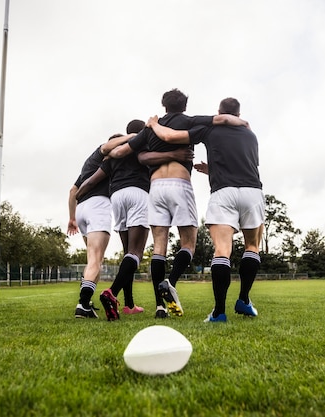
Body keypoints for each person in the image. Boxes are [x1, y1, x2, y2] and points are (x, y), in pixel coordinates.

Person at [108, 89, 247, 319]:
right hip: (179, 184)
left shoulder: (150, 128)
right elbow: (222, 119)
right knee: (189, 244)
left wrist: (110, 150)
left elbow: (122, 151)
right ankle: (170, 283)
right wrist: (243, 122)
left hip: (155, 188)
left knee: (159, 246)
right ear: (184, 105)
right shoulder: (188, 120)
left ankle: (160, 307)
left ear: (164, 105)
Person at [147, 97, 264, 323]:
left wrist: (153, 124)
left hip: (223, 193)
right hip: (252, 192)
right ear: (238, 116)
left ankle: (219, 312)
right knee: (252, 246)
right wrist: (213, 170)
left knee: (222, 250)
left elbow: (169, 136)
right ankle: (244, 300)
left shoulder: (211, 130)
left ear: (220, 113)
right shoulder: (251, 135)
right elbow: (243, 165)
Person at [67, 131, 137, 319]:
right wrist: (132, 136)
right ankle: (82, 305)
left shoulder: (89, 163)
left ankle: (86, 302)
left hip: (81, 208)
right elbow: (106, 147)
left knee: (94, 259)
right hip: (98, 206)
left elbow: (73, 190)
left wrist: (72, 218)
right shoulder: (105, 154)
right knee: (95, 260)